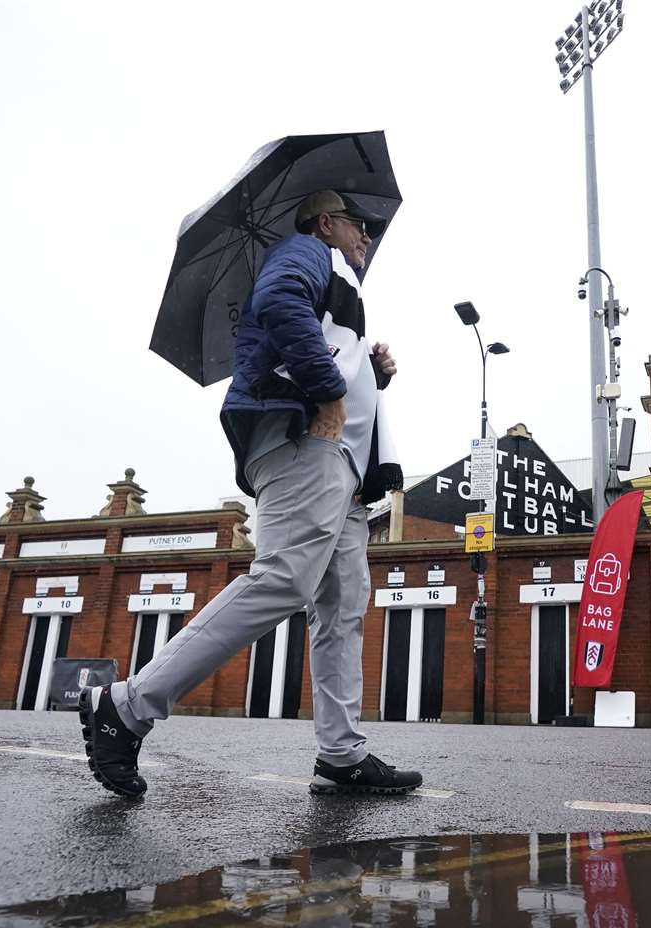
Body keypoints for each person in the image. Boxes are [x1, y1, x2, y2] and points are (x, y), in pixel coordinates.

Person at [79, 190, 420, 799]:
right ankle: (126, 705)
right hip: (304, 442)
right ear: (325, 222)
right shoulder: (305, 253)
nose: (366, 236)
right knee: (285, 577)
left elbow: (323, 340)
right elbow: (281, 303)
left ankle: (342, 755)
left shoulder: (336, 277)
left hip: (341, 465)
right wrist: (328, 390)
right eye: (357, 224)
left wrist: (373, 369)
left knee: (343, 606)